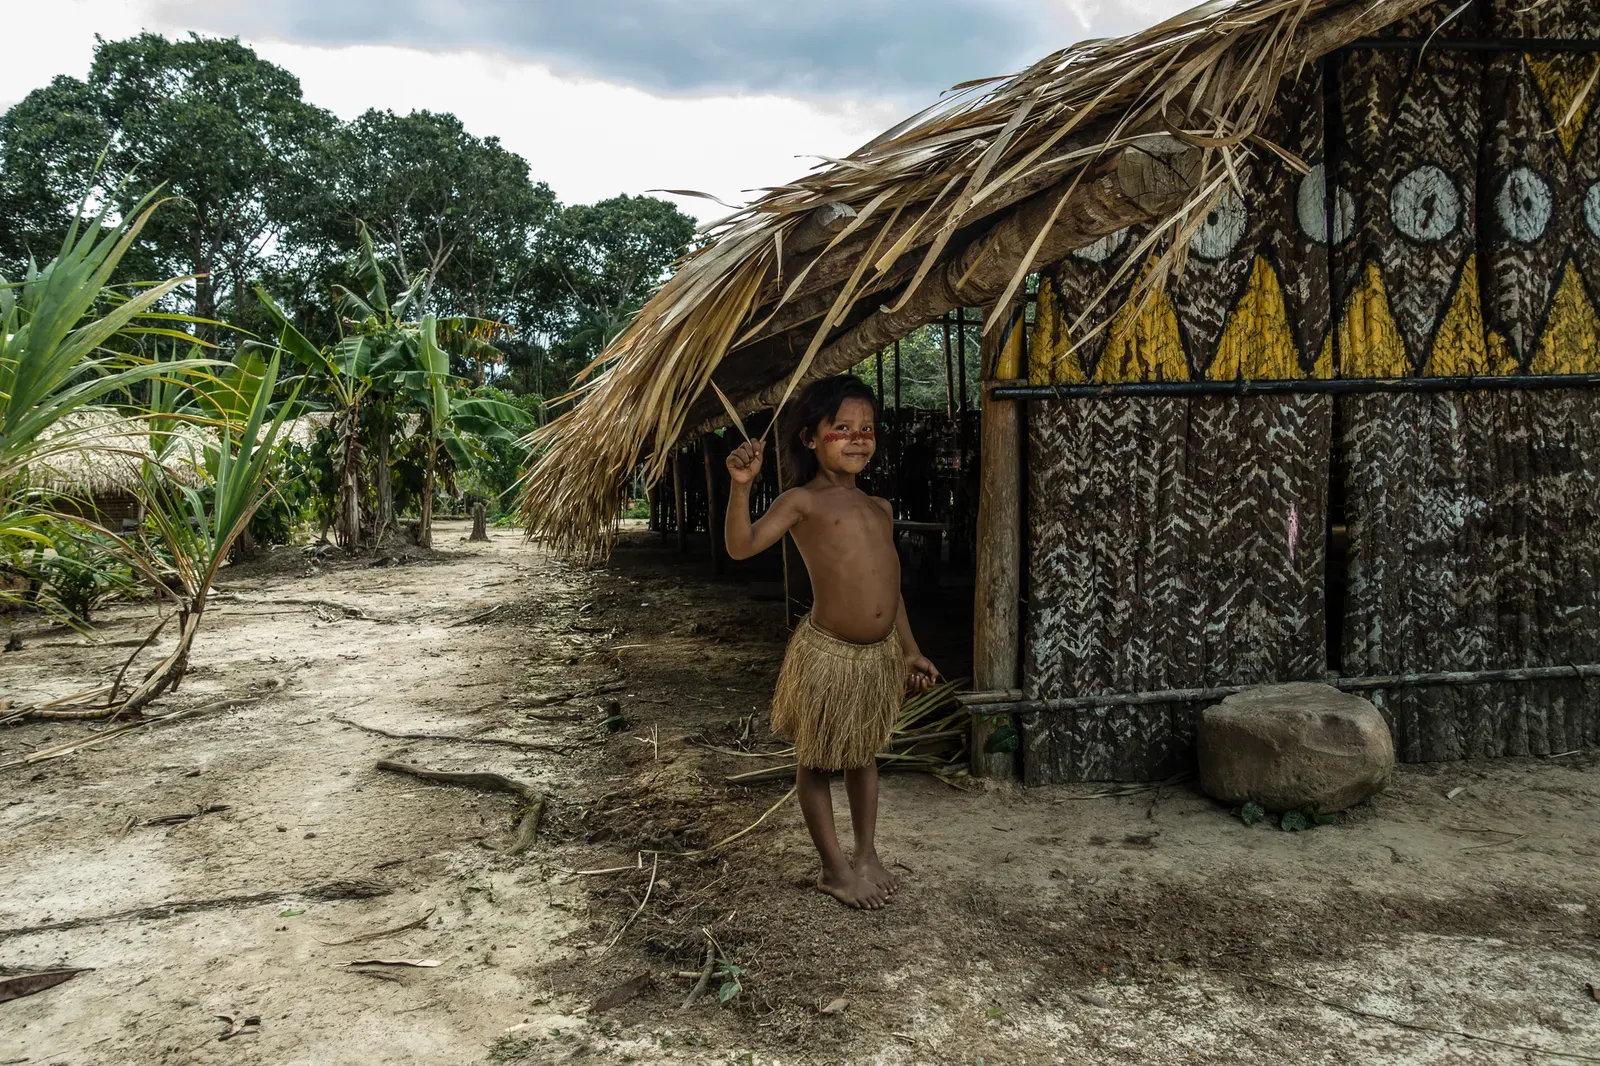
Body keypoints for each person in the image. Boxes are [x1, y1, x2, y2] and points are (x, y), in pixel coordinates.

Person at [723, 374, 940, 910]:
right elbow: (741, 546)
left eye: (867, 428)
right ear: (810, 438)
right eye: (842, 428)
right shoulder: (802, 502)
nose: (858, 438)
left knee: (863, 754)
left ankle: (866, 855)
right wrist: (742, 486)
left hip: (876, 657)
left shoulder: (879, 507)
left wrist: (910, 648)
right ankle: (833, 869)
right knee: (818, 760)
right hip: (828, 655)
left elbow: (892, 588)